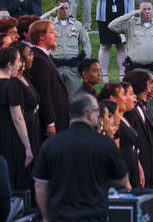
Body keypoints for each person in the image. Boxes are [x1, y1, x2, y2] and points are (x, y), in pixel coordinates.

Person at [35, 93, 128, 221]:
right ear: (89, 113)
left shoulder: (50, 145)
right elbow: (122, 181)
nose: (98, 116)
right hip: (94, 216)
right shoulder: (105, 143)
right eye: (97, 112)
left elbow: (40, 185)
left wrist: (47, 217)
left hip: (60, 217)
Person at [109, 0, 153, 133]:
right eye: (143, 9)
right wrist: (130, 14)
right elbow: (112, 26)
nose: (147, 12)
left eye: (149, 9)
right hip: (136, 71)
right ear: (138, 11)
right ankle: (134, 129)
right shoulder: (130, 25)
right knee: (133, 100)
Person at [0, 46, 34, 192]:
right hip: (11, 134)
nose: (21, 64)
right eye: (19, 61)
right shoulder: (11, 85)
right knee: (15, 170)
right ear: (10, 64)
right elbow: (17, 118)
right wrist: (27, 146)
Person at [93, 0, 132, 82]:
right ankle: (104, 75)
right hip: (105, 18)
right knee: (105, 46)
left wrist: (130, 15)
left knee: (121, 45)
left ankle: (122, 75)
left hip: (122, 18)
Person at [28, 19, 70, 137]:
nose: (56, 35)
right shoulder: (39, 60)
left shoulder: (44, 56)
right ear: (41, 36)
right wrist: (50, 122)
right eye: (51, 32)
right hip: (53, 123)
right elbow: (44, 92)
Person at [122, 70, 153, 187]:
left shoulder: (143, 107)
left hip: (149, 173)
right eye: (150, 83)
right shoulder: (130, 112)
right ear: (139, 84)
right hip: (138, 174)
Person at [48, 0, 91, 92]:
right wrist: (50, 13)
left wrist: (84, 65)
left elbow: (86, 44)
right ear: (56, 9)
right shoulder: (49, 25)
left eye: (67, 8)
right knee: (55, 96)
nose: (64, 10)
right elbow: (36, 22)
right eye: (61, 8)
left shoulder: (77, 25)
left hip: (72, 68)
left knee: (72, 98)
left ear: (70, 9)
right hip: (55, 67)